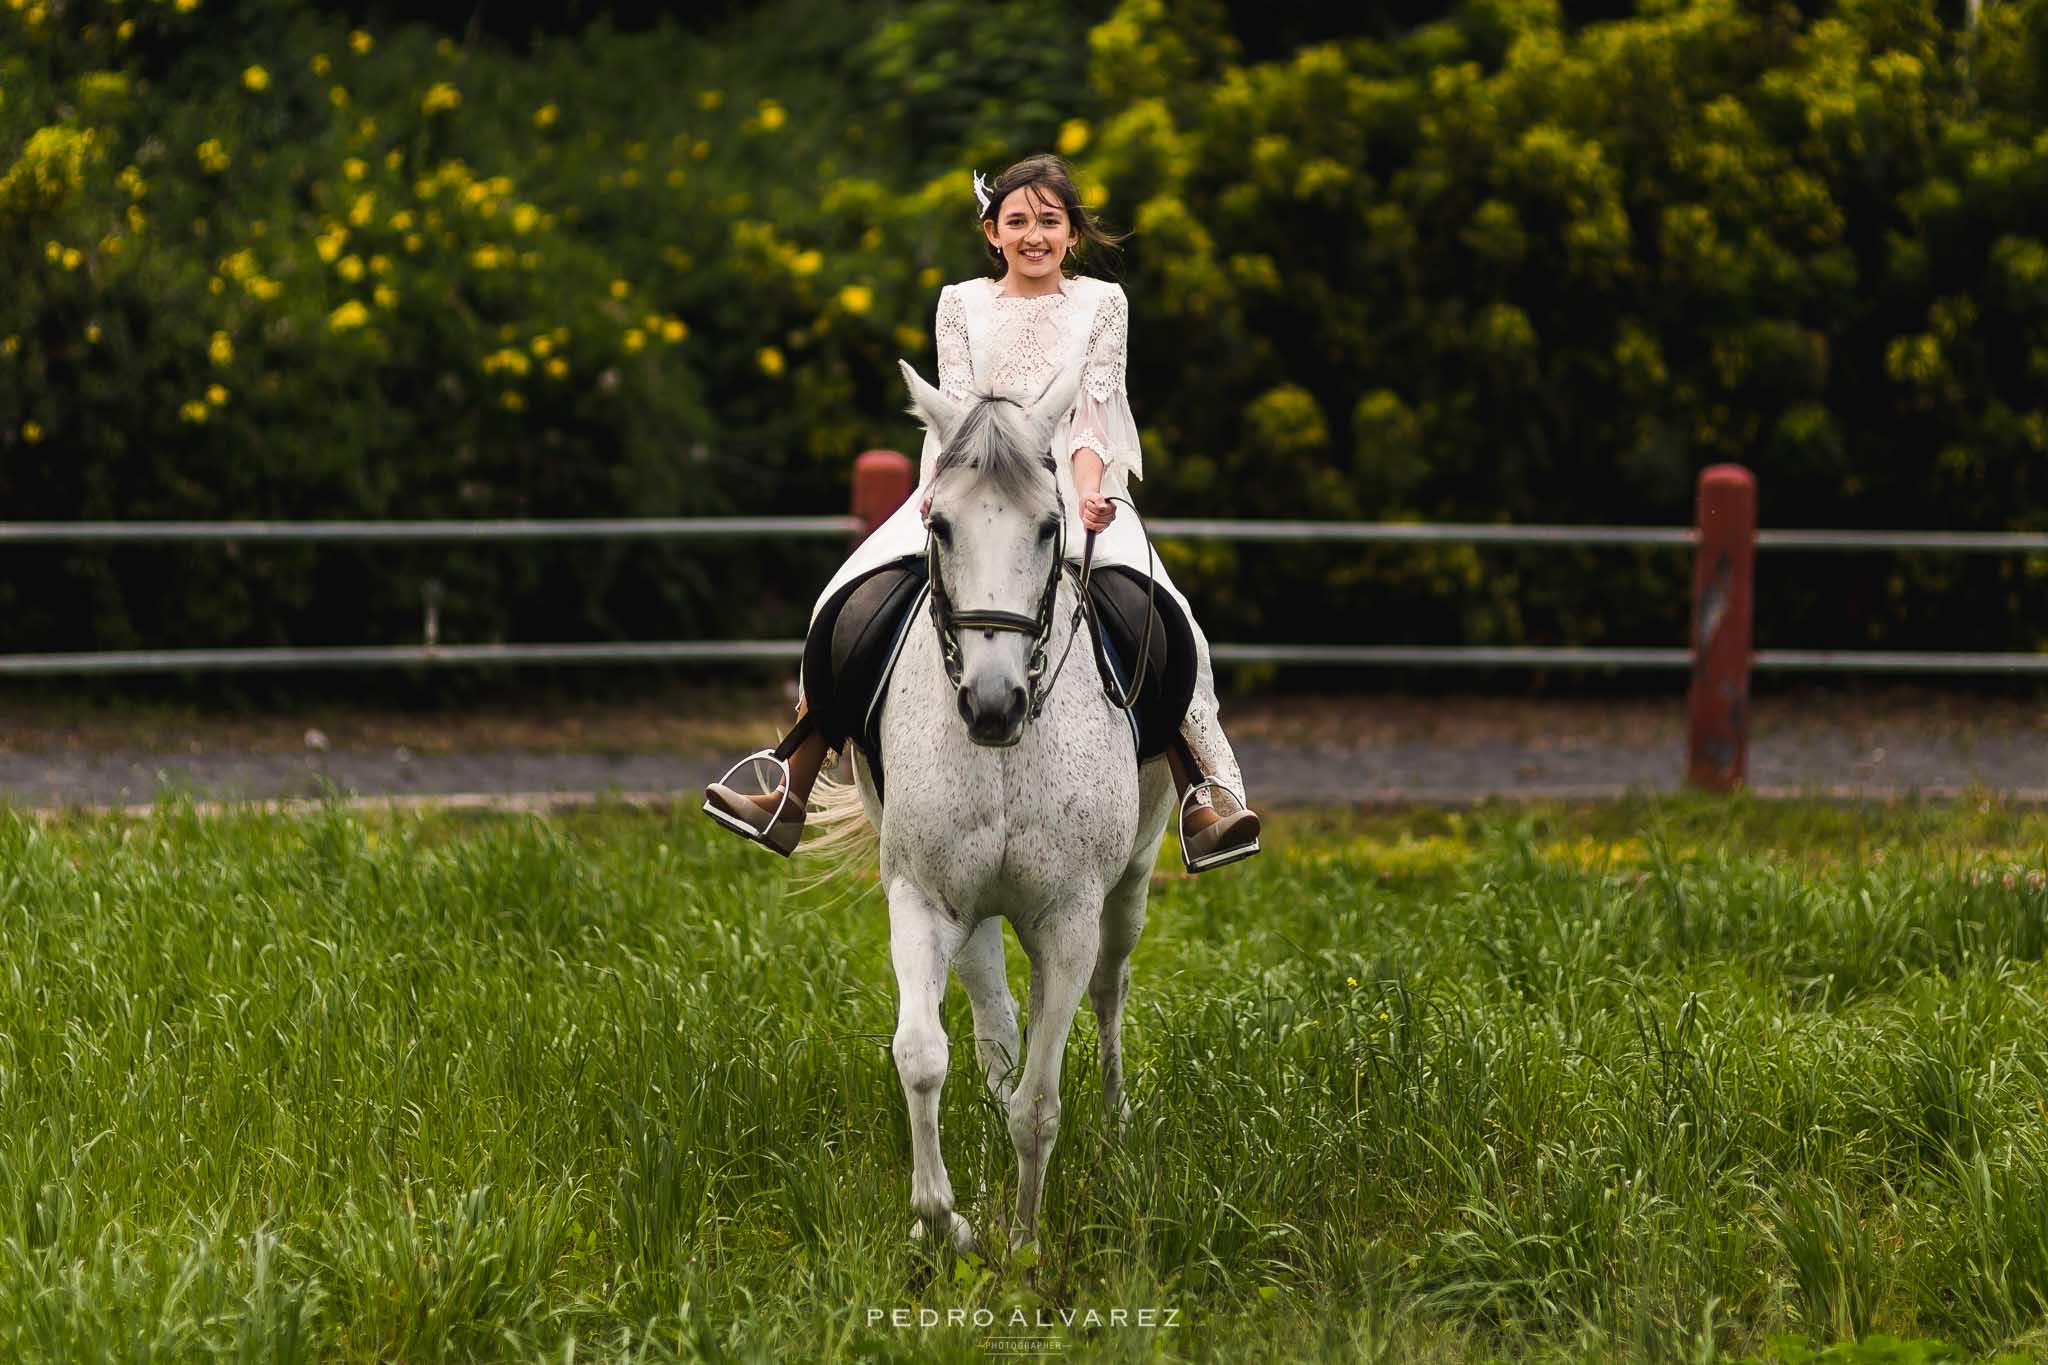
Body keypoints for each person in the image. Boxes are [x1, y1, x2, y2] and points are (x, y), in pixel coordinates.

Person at [703, 153, 1261, 872]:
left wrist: (1090, 491)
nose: (1034, 236)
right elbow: (957, 414)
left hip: (1071, 484)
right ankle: (791, 783)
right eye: (1018, 221)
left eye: (1050, 222)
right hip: (968, 482)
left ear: (1073, 234)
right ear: (992, 230)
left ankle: (1204, 792)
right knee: (839, 598)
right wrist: (944, 493)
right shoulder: (959, 303)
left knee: (1167, 613)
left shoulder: (1103, 305)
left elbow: (1093, 416)